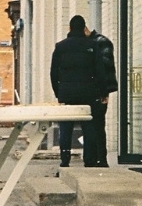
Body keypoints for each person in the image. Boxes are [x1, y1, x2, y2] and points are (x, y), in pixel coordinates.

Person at [50, 15, 118, 167]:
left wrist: (58, 93)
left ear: (69, 28)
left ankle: (65, 160)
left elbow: (53, 73)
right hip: (89, 93)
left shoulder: (60, 47)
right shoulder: (92, 46)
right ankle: (89, 160)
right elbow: (100, 72)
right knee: (89, 128)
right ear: (83, 28)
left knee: (65, 128)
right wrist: (103, 93)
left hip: (67, 94)